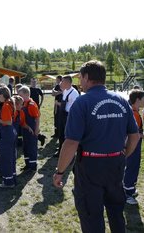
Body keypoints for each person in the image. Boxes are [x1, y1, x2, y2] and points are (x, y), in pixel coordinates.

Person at [53, 60, 139, 233]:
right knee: (116, 212)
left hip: (91, 167)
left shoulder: (82, 102)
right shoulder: (121, 100)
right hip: (116, 163)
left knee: (92, 216)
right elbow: (135, 136)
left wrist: (60, 171)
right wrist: (124, 154)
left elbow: (70, 143)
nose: (80, 82)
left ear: (86, 77)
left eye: (81, 78)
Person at [0, 86, 17, 188]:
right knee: (11, 157)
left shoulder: (5, 105)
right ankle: (12, 177)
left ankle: (8, 182)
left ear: (3, 95)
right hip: (11, 132)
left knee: (6, 157)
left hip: (6, 133)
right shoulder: (10, 102)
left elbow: (8, 122)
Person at [123, 89, 144, 205]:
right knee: (132, 167)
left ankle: (129, 188)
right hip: (132, 145)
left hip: (133, 144)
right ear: (138, 99)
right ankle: (127, 193)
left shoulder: (135, 111)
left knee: (132, 166)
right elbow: (133, 133)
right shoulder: (133, 113)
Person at [54, 75, 79, 157]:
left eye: (62, 81)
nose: (60, 83)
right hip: (62, 115)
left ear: (67, 83)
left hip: (68, 116)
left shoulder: (74, 93)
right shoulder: (65, 91)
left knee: (66, 135)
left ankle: (66, 153)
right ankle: (61, 150)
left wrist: (58, 104)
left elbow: (74, 108)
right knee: (61, 134)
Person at [18, 85, 40, 172]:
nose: (20, 97)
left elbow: (37, 117)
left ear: (27, 94)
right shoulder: (24, 104)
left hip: (32, 130)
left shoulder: (32, 105)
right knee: (26, 147)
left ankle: (33, 166)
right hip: (25, 129)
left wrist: (36, 129)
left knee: (32, 148)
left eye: (21, 96)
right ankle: (27, 164)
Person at [29, 78, 46, 146]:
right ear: (30, 82)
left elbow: (42, 96)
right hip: (30, 108)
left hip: (36, 108)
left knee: (35, 122)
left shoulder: (38, 89)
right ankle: (40, 136)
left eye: (35, 82)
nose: (34, 83)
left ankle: (39, 137)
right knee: (31, 123)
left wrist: (41, 104)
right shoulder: (29, 90)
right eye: (32, 82)